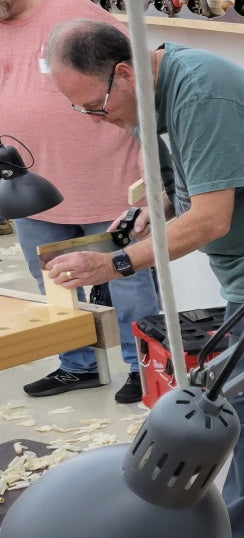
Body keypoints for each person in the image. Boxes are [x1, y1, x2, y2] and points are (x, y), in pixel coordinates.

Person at [43, 20, 244, 538]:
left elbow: (209, 219)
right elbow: (184, 185)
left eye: (94, 106)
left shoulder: (202, 92)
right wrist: (150, 211)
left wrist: (114, 264)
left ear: (124, 72)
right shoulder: (142, 96)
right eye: (79, 109)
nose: (94, 118)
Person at [0, 0, 160, 403]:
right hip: (32, 187)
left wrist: (150, 168)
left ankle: (143, 367)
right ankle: (77, 365)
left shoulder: (76, 12)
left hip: (107, 181)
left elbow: (140, 81)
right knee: (53, 279)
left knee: (127, 278)